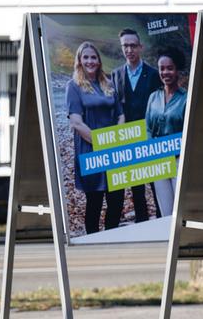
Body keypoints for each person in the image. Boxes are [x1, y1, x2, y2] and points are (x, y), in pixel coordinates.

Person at [68, 42, 124, 234]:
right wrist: (101, 143)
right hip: (90, 151)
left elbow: (120, 115)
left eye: (94, 57)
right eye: (86, 57)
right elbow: (76, 122)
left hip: (114, 149)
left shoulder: (108, 84)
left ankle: (112, 237)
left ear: (99, 61)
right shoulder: (73, 86)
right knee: (95, 201)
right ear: (79, 61)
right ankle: (93, 241)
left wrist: (116, 138)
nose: (90, 61)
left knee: (117, 199)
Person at [111, 28, 158, 222]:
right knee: (133, 186)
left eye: (132, 45)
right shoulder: (115, 74)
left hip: (149, 136)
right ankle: (141, 223)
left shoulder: (153, 74)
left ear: (140, 47)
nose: (129, 49)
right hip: (126, 137)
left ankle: (165, 223)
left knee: (156, 183)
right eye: (125, 46)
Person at [144, 47, 187, 216]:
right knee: (166, 211)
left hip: (178, 160)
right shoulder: (153, 97)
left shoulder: (186, 98)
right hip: (158, 160)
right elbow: (147, 127)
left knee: (181, 209)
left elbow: (188, 130)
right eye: (162, 68)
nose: (165, 72)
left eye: (170, 68)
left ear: (177, 70)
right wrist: (150, 150)